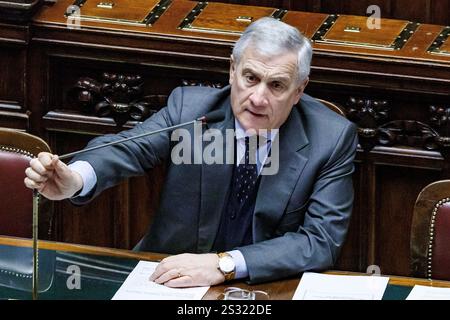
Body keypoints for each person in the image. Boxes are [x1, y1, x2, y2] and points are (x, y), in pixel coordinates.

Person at [24, 17, 358, 287]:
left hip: (268, 286)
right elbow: (130, 148)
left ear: (299, 90)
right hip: (167, 278)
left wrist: (223, 265)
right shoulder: (191, 110)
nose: (257, 98)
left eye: (276, 85)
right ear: (232, 71)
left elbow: (320, 241)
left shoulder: (331, 138)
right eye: (250, 78)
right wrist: (76, 179)